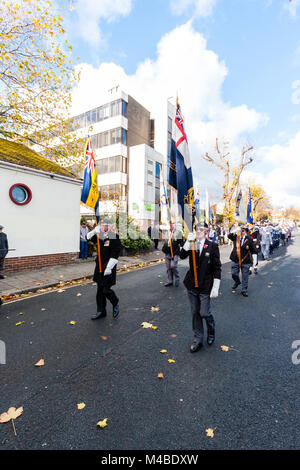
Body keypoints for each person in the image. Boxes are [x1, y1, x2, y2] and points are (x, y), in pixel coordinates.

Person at [179, 222, 221, 353]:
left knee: (204, 312)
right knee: (195, 312)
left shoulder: (213, 246)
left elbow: (217, 267)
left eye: (201, 229)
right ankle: (198, 338)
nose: (198, 231)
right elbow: (181, 256)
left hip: (206, 285)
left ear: (206, 231)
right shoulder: (192, 243)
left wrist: (216, 286)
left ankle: (211, 330)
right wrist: (188, 241)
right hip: (192, 284)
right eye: (197, 229)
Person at [87, 219, 122, 320]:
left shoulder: (114, 236)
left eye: (105, 225)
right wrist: (94, 231)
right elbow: (86, 238)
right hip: (99, 267)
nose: (103, 227)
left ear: (110, 226)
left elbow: (116, 253)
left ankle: (115, 302)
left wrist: (109, 268)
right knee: (99, 291)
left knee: (106, 290)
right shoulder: (100, 236)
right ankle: (101, 311)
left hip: (108, 267)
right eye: (101, 225)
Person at [228, 226, 258, 297]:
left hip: (245, 260)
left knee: (245, 276)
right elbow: (229, 235)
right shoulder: (235, 237)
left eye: (243, 230)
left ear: (246, 232)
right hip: (235, 259)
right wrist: (235, 230)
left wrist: (254, 261)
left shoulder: (249, 239)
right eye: (240, 230)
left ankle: (244, 290)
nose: (241, 232)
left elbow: (253, 250)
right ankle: (237, 282)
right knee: (234, 274)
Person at [162, 222, 183, 287]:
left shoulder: (178, 232)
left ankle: (177, 278)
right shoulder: (167, 232)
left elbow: (181, 242)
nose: (171, 225)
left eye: (173, 224)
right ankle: (170, 281)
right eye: (170, 224)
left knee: (173, 266)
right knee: (168, 268)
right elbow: (165, 241)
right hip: (167, 252)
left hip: (174, 252)